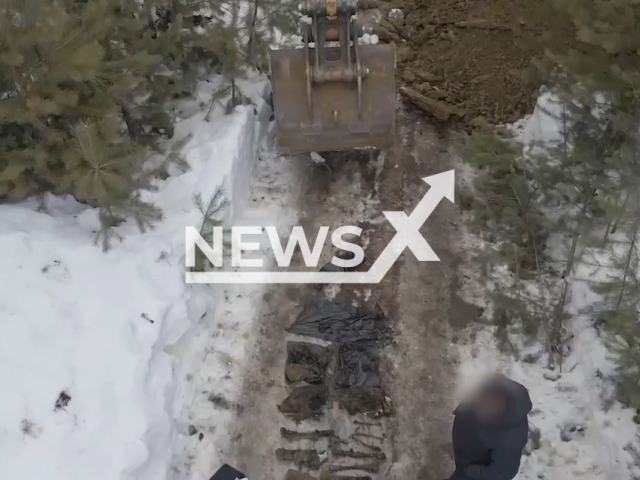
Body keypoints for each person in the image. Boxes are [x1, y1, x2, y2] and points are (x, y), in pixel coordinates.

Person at [445, 374, 532, 480]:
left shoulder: (511, 438)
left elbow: (502, 473)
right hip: (465, 460)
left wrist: (472, 472)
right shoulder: (490, 389)